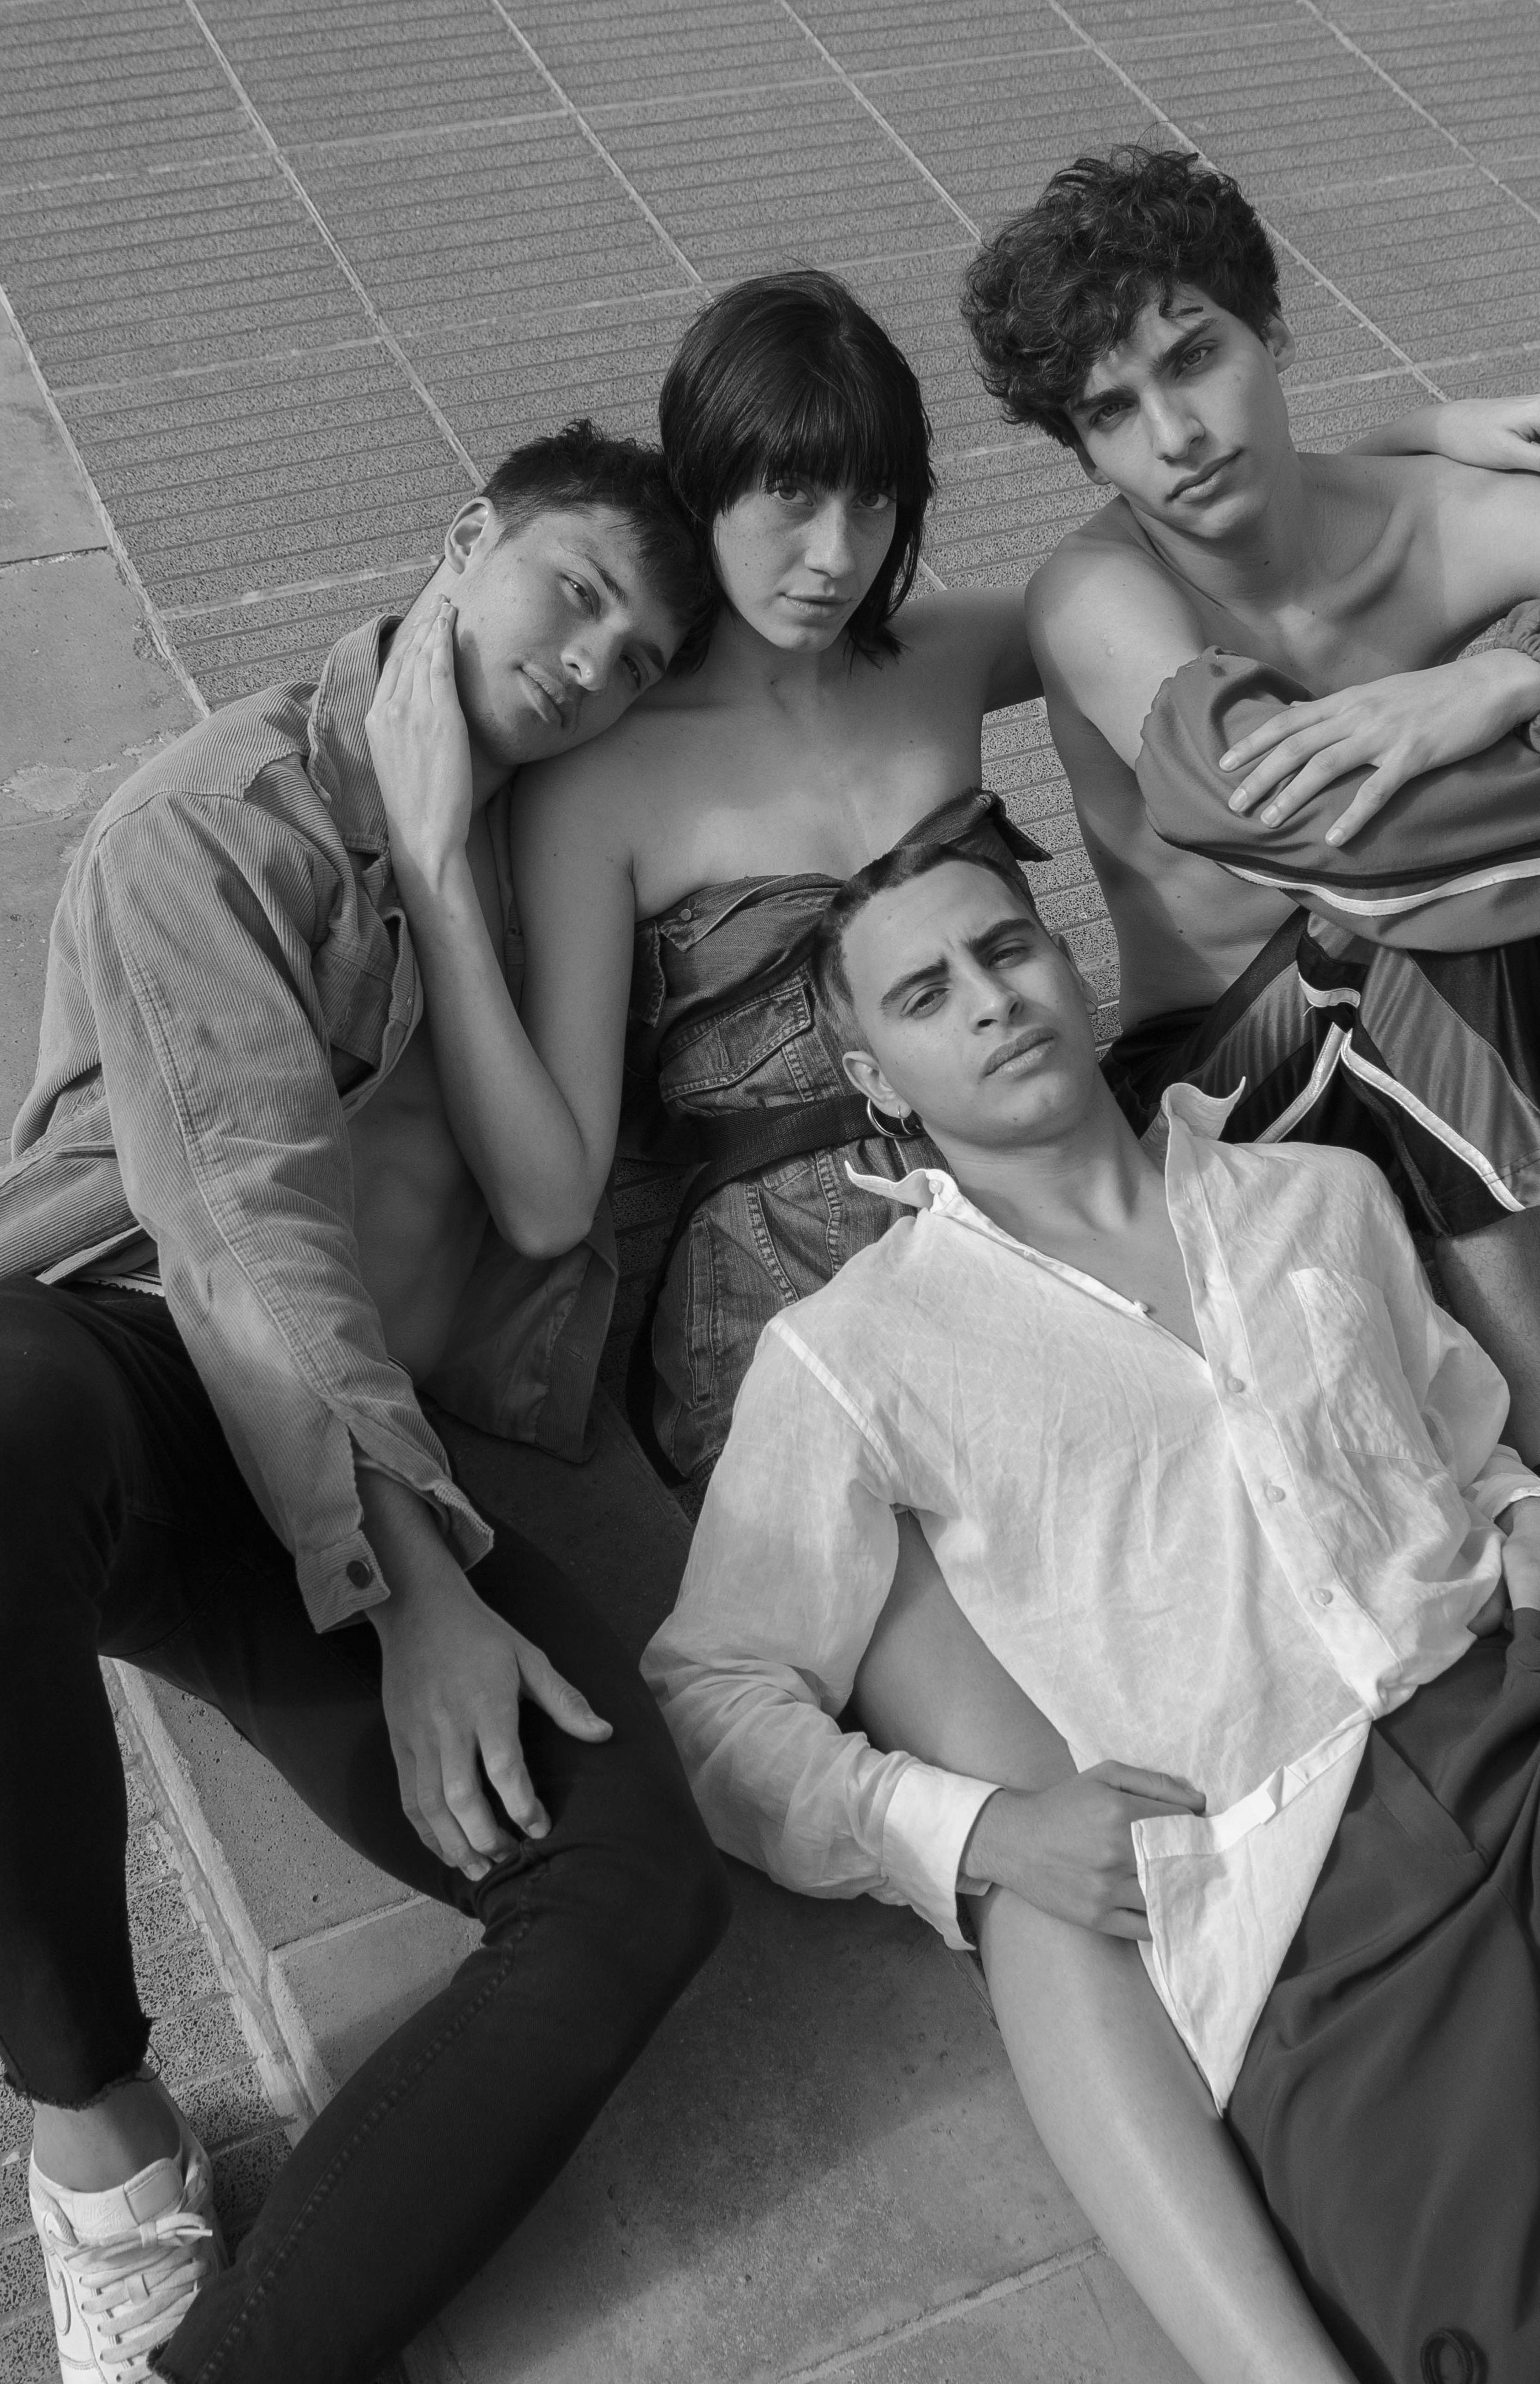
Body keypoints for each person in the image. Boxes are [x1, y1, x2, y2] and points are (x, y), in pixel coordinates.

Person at [365, 270, 1540, 2384]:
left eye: (869, 501)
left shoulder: (946, 647)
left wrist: (1445, 432)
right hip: (779, 1258)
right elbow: (558, 1189)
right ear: (704, 490)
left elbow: (1190, 508)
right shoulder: (606, 781)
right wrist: (428, 855)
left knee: (1357, 1168)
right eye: (780, 503)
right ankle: (1278, 2230)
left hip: (1050, 1145)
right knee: (1086, 1821)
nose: (830, 556)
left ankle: (1534, 1551)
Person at [645, 843, 1540, 2384]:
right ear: (877, 1079)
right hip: (1294, 1911)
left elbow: (1452, 1430)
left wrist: (1527, 1502)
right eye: (926, 994)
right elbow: (716, 1694)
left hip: (1526, 1726)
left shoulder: (1321, 1194)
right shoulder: (852, 1352)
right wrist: (962, 1834)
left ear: (1072, 972)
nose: (990, 1001)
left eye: (1006, 952)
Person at [0, 422, 730, 2384]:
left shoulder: (552, 841)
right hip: (137, 1371)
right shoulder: (216, 812)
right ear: (465, 536)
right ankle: (99, 2145)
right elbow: (242, 1227)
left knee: (639, 1879)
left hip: (356, 1455)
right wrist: (421, 1591)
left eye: (644, 649)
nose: (595, 662)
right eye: (574, 591)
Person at [961, 143, 1540, 1494]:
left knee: (1441, 886)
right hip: (1223, 1081)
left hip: (1461, 1007)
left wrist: (1510, 674)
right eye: (1112, 412)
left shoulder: (1433, 514)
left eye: (1193, 360)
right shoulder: (1097, 602)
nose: (1174, 439)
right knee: (1390, 919)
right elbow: (1345, 848)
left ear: (1274, 333)